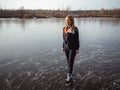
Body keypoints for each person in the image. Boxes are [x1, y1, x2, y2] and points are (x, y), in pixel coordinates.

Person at [62, 15, 80, 85]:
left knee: (70, 61)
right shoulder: (64, 28)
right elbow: (63, 39)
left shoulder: (75, 29)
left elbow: (77, 40)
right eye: (66, 20)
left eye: (68, 20)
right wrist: (63, 46)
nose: (67, 21)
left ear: (71, 20)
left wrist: (77, 48)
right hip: (66, 48)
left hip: (73, 48)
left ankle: (69, 75)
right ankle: (70, 72)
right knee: (68, 61)